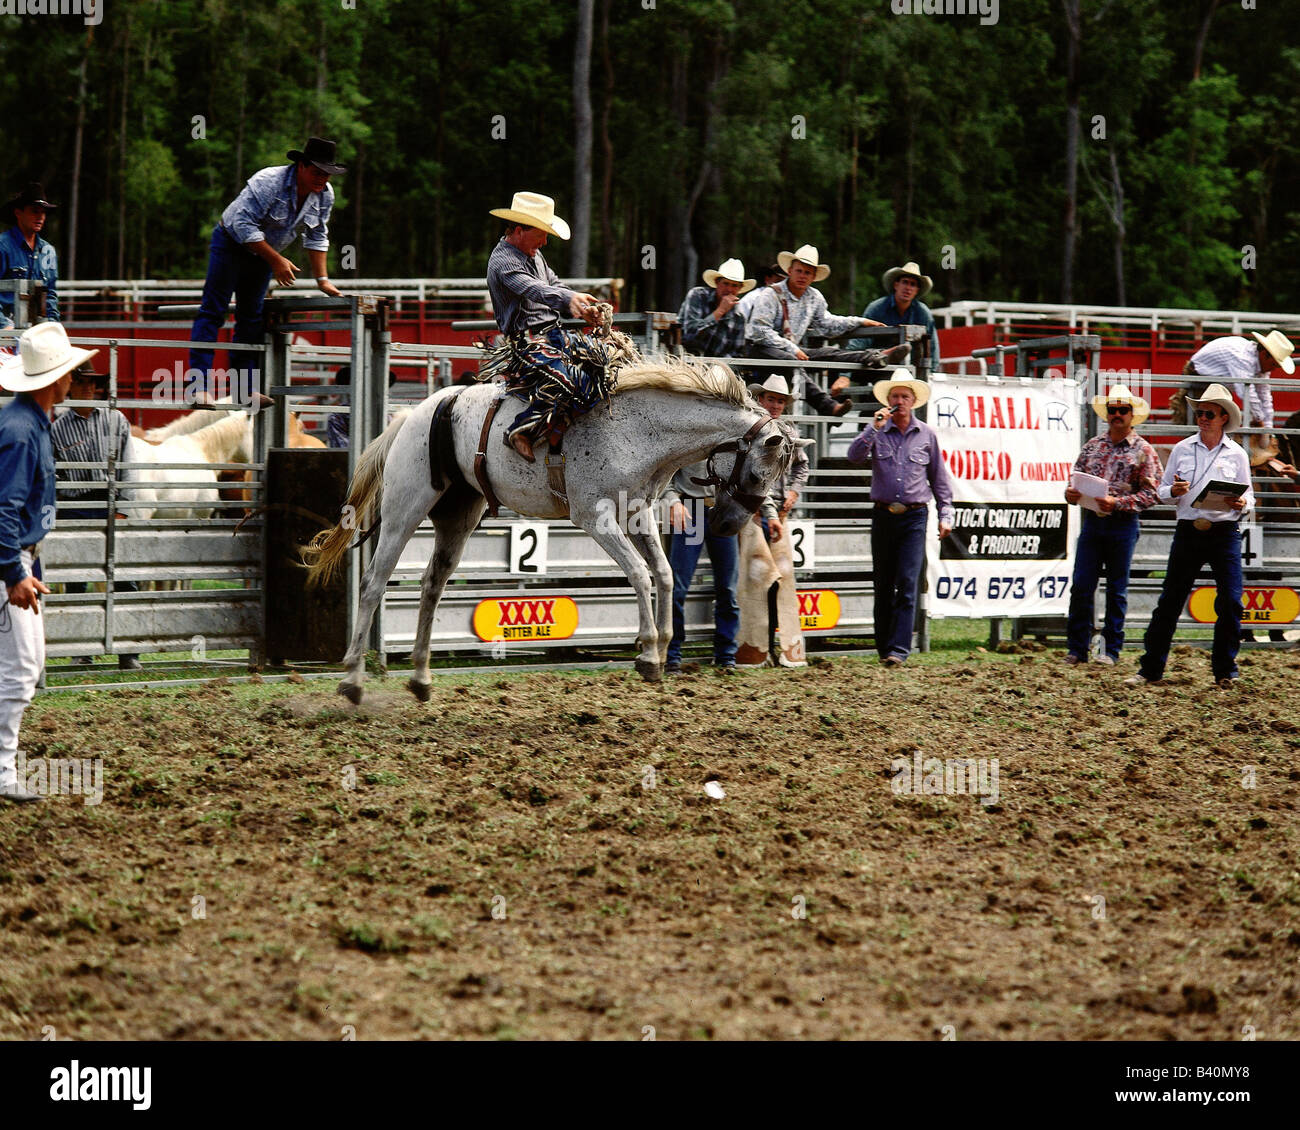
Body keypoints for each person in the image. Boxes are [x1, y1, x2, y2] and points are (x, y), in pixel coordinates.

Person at [0, 323, 96, 802]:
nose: (74, 379)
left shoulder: (26, 423)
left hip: (20, 557)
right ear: (54, 380)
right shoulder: (22, 430)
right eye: (69, 372)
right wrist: (15, 572)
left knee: (24, 665)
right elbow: (4, 506)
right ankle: (1, 773)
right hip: (11, 560)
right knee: (21, 668)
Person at [188, 137, 345, 394]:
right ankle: (199, 386)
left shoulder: (324, 195)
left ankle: (242, 389)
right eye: (317, 172)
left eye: (327, 175)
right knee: (213, 311)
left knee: (251, 318)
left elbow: (317, 234)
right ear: (302, 166)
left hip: (263, 255)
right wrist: (276, 260)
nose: (322, 179)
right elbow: (242, 225)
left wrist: (322, 280)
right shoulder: (269, 182)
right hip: (230, 243)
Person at [1126, 384, 1254, 689]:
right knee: (1170, 600)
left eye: (1209, 413)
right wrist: (1174, 491)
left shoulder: (1237, 454)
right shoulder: (1182, 449)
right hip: (1189, 531)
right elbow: (1161, 491)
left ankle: (1226, 670)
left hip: (1224, 531)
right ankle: (1150, 669)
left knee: (1231, 601)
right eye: (1200, 413)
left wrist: (1242, 503)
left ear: (1224, 417)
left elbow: (1249, 495)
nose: (1203, 418)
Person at [480, 191, 605, 463]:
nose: (545, 241)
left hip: (554, 336)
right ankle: (521, 429)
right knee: (575, 381)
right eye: (542, 233)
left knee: (604, 372)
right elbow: (535, 289)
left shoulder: (533, 254)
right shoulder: (503, 262)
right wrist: (570, 299)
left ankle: (557, 430)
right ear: (519, 230)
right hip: (525, 345)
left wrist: (581, 305)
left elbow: (552, 284)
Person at [846, 371, 954, 667]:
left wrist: (946, 513)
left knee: (907, 582)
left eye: (905, 396)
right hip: (883, 515)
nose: (900, 401)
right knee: (883, 584)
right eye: (895, 396)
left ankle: (899, 650)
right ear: (888, 400)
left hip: (914, 516)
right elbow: (853, 456)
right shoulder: (878, 430)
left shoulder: (927, 435)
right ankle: (884, 648)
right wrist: (872, 428)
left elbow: (939, 478)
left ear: (914, 400)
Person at [744, 244, 910, 418]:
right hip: (760, 350)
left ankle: (873, 356)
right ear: (790, 270)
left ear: (814, 276)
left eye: (807, 273)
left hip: (791, 349)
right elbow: (759, 331)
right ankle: (828, 405)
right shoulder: (770, 295)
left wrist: (860, 321)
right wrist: (792, 348)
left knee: (829, 352)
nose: (802, 276)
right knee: (792, 360)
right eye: (799, 271)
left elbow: (827, 323)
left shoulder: (814, 297)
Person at [1061, 384, 1163, 666]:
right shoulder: (1092, 446)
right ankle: (1077, 648)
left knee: (1117, 590)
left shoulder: (1144, 450)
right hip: (1094, 522)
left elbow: (1152, 494)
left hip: (1122, 523)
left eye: (1122, 410)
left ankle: (1110, 650)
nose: (1117, 414)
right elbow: (1074, 482)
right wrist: (1070, 495)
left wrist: (1117, 503)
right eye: (1113, 409)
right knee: (1081, 586)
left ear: (1132, 414)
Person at [50, 362, 141, 670]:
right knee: (78, 579)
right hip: (75, 506)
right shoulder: (58, 427)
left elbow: (129, 468)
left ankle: (128, 652)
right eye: (82, 383)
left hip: (109, 503)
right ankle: (82, 648)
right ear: (71, 387)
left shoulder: (117, 420)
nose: (88, 389)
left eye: (92, 384)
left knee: (124, 577)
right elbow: (53, 475)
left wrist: (124, 508)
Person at [734, 375, 810, 668]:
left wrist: (793, 490)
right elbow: (757, 476)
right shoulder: (750, 429)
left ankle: (774, 648)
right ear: (761, 400)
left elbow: (802, 464)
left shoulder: (788, 432)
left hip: (778, 513)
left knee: (778, 581)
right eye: (771, 399)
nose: (776, 404)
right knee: (756, 580)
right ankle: (756, 649)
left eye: (780, 400)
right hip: (753, 514)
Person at [660, 460, 739, 675]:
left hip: (723, 509)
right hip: (691, 510)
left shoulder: (733, 439)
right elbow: (665, 476)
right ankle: (671, 655)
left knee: (728, 588)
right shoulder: (689, 437)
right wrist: (673, 501)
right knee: (677, 588)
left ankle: (726, 656)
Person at [1171, 330, 1294, 427]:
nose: (1273, 370)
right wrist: (1260, 421)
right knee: (1206, 421)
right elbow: (1247, 393)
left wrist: (1267, 426)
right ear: (1264, 355)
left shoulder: (1258, 363)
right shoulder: (1243, 359)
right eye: (1273, 365)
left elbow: (1264, 394)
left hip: (1216, 380)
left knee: (1217, 421)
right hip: (1198, 376)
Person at [846, 260, 941, 370]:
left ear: (917, 290)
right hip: (876, 367)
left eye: (913, 284)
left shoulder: (923, 313)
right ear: (896, 285)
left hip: (911, 370)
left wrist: (931, 374)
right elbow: (859, 342)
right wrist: (845, 374)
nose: (908, 288)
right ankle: (886, 355)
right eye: (905, 282)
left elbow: (932, 347)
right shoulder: (877, 308)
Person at [0, 182, 61, 330]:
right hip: (5, 331)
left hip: (35, 331)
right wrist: (5, 327)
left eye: (43, 212)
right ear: (18, 213)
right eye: (35, 211)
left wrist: (53, 326)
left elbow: (50, 295)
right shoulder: (3, 247)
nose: (40, 217)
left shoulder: (48, 251)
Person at [677, 258, 753, 358]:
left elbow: (737, 352)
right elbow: (690, 333)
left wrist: (720, 366)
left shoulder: (739, 316)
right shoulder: (698, 296)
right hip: (685, 359)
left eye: (734, 285)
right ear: (717, 283)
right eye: (725, 283)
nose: (729, 289)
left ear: (739, 289)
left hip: (718, 366)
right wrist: (720, 311)